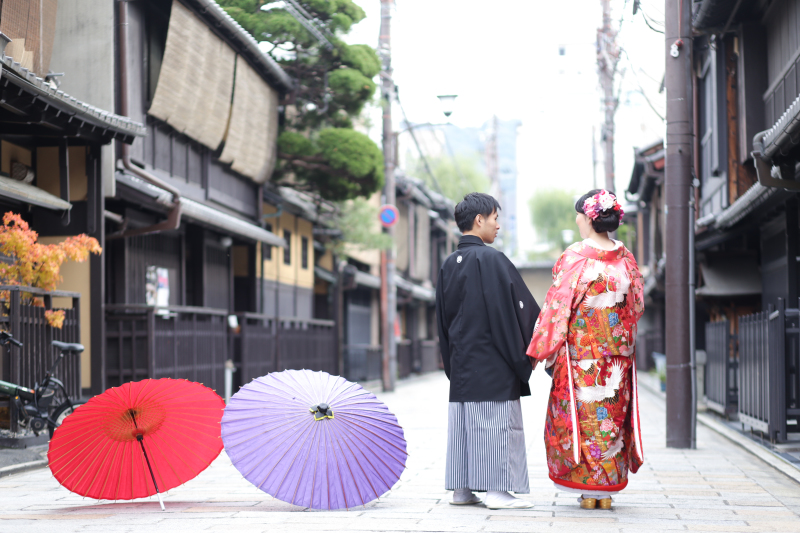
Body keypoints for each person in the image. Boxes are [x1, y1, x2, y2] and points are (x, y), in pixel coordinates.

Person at [526, 189, 645, 510]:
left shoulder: (575, 257)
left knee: (585, 421)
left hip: (581, 358)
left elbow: (556, 307)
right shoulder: (626, 259)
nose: (577, 220)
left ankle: (589, 489)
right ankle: (605, 491)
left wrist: (539, 350)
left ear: (589, 218)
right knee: (612, 421)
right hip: (618, 357)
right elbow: (637, 306)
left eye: (579, 215)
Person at [436, 192, 540, 510]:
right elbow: (513, 312)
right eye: (495, 218)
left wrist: (452, 362)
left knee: (465, 426)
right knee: (495, 425)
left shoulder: (448, 264)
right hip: (494, 363)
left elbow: (442, 321)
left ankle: (462, 489)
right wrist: (525, 355)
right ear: (479, 220)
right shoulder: (492, 260)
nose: (498, 226)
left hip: (462, 363)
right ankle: (496, 491)